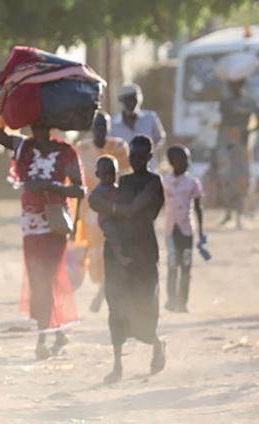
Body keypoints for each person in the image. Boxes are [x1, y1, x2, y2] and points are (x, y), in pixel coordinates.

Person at [0, 91, 85, 360]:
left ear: (50, 124)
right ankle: (56, 329)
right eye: (33, 123)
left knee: (47, 276)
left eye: (41, 123)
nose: (36, 128)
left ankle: (44, 335)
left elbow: (80, 190)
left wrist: (51, 186)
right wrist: (0, 89)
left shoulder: (65, 151)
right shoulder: (23, 147)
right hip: (31, 223)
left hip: (55, 222)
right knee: (38, 277)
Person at [89, 135, 167, 384]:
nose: (136, 161)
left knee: (144, 305)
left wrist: (109, 208)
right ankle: (118, 365)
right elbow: (95, 201)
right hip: (119, 251)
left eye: (141, 157)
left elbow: (133, 208)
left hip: (144, 251)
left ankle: (156, 344)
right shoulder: (123, 181)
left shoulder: (154, 182)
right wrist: (107, 209)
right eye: (132, 156)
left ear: (150, 157)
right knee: (117, 306)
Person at [74, 112, 130, 312]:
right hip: (90, 209)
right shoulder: (82, 148)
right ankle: (103, 289)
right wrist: (74, 219)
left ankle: (103, 294)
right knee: (96, 255)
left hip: (113, 207)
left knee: (113, 249)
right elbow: (77, 183)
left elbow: (126, 178)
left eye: (104, 126)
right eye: (97, 125)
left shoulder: (118, 147)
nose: (100, 130)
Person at [162, 145, 205, 313]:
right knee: (173, 264)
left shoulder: (192, 183)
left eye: (188, 159)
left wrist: (201, 231)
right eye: (183, 159)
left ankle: (183, 301)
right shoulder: (165, 182)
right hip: (170, 231)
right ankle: (171, 299)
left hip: (187, 230)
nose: (187, 163)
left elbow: (198, 208)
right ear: (173, 162)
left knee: (186, 266)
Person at [213, 79, 257, 228]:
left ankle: (239, 213)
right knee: (226, 176)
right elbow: (222, 119)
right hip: (226, 141)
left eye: (237, 85)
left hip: (243, 142)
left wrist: (250, 131)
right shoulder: (225, 102)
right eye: (232, 85)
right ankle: (228, 213)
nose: (234, 88)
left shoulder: (249, 102)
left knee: (242, 177)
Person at [110, 83, 166, 170]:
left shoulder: (150, 118)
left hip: (148, 170)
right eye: (127, 100)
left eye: (134, 99)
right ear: (121, 100)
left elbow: (159, 137)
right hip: (124, 171)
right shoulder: (113, 124)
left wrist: (146, 152)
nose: (131, 103)